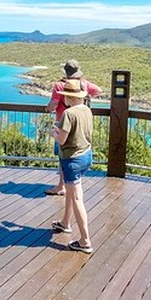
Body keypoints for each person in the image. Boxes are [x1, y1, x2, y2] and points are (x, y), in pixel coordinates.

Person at [49, 79, 95, 254]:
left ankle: (85, 241)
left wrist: (53, 132)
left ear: (69, 96)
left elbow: (62, 139)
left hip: (72, 160)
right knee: (71, 191)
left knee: (77, 199)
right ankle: (65, 223)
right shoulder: (87, 110)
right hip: (86, 155)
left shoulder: (69, 113)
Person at [44, 59, 102, 196]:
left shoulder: (59, 85)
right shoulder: (84, 83)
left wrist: (48, 109)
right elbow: (99, 91)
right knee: (79, 152)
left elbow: (53, 105)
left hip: (62, 123)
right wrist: (85, 95)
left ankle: (62, 186)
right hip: (81, 124)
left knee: (63, 155)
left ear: (66, 72)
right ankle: (72, 185)